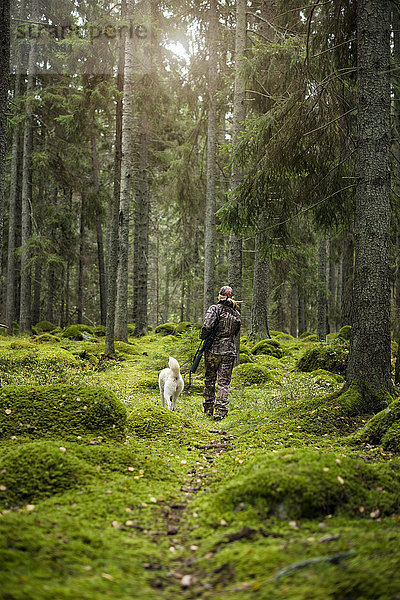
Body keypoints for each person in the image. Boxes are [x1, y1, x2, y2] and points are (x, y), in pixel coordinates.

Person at [200, 285, 241, 420]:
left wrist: (203, 337)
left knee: (210, 379)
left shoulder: (214, 309)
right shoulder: (236, 313)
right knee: (224, 383)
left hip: (213, 350)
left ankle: (208, 408)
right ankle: (220, 411)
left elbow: (206, 326)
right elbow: (236, 332)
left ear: (220, 296)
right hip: (229, 351)